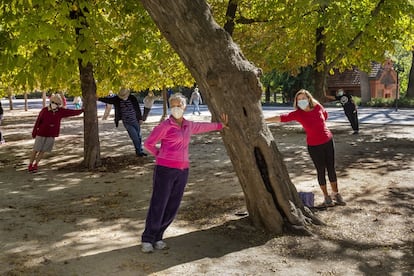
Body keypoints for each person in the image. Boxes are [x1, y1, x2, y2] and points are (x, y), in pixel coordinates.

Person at [141, 93, 228, 253]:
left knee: (173, 205)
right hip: (165, 170)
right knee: (159, 203)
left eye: (178, 106)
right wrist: (159, 153)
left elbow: (203, 127)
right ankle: (148, 238)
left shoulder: (189, 125)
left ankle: (159, 236)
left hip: (182, 170)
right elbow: (148, 143)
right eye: (173, 106)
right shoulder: (165, 126)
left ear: (184, 107)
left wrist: (220, 125)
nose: (176, 109)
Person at [265, 89, 346, 208]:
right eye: (299, 99)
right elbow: (281, 117)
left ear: (309, 98)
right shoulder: (298, 114)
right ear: (296, 102)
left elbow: (325, 115)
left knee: (331, 168)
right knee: (321, 171)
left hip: (328, 141)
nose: (302, 101)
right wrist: (264, 120)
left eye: (304, 98)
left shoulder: (317, 107)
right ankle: (326, 197)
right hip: (314, 146)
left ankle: (336, 194)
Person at [28, 94, 84, 173]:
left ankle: (36, 164)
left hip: (51, 134)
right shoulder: (44, 111)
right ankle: (30, 164)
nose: (56, 105)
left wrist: (81, 110)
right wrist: (34, 132)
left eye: (58, 104)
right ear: (51, 102)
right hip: (41, 133)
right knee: (36, 149)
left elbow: (71, 112)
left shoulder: (60, 111)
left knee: (43, 151)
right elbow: (38, 122)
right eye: (55, 103)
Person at [98, 88, 147, 157]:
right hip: (127, 122)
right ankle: (139, 152)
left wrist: (140, 118)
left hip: (135, 120)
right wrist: (98, 98)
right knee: (134, 136)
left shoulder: (132, 98)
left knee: (138, 136)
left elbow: (137, 108)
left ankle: (139, 150)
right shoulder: (117, 99)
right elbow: (108, 100)